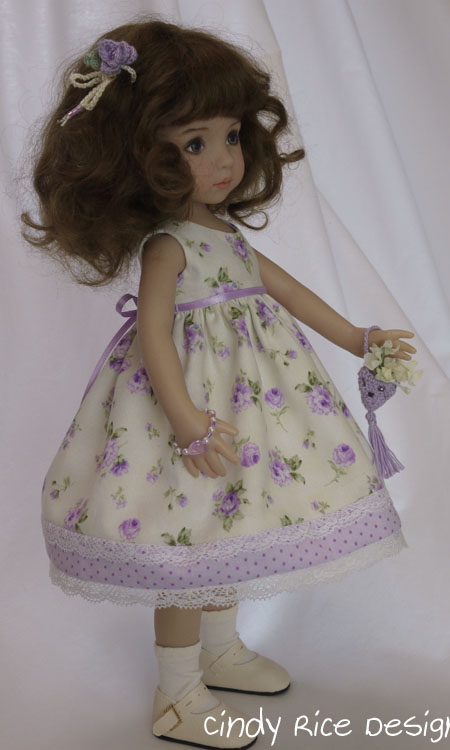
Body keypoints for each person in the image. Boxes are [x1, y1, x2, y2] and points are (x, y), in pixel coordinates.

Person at [22, 17, 415, 749]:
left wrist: (358, 339)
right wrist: (186, 423)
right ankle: (176, 696)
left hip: (252, 408)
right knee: (187, 540)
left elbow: (292, 295)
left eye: (230, 136)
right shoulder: (167, 246)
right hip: (190, 415)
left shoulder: (226, 236)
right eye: (194, 143)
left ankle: (220, 650)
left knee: (231, 523)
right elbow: (154, 338)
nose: (224, 159)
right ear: (137, 157)